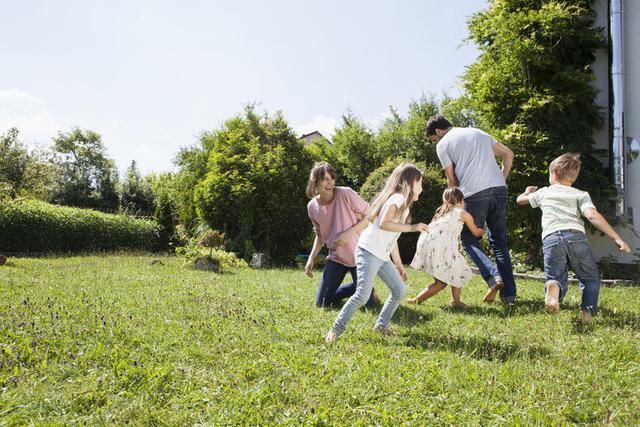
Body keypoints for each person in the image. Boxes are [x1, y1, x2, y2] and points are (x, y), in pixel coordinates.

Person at [516, 153, 630, 324]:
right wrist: (616, 238)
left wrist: (526, 192)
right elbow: (592, 215)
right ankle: (587, 315)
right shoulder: (580, 194)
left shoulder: (544, 193)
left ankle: (553, 289)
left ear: (553, 173)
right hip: (575, 236)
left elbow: (520, 201)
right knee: (590, 278)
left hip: (551, 237)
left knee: (554, 274)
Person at [325, 162, 428, 343]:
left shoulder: (403, 205)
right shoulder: (397, 199)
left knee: (399, 290)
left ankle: (381, 326)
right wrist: (414, 227)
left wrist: (398, 265)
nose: (422, 186)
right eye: (420, 182)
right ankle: (335, 331)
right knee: (362, 296)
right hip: (368, 252)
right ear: (411, 183)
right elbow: (383, 223)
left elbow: (392, 236)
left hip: (381, 256)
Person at [426, 114, 517, 304]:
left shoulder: (443, 144)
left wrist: (449, 206)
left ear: (438, 131)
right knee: (499, 243)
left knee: (468, 239)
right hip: (499, 190)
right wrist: (502, 178)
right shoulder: (478, 132)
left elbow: (452, 181)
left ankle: (493, 277)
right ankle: (509, 296)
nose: (436, 141)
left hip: (474, 193)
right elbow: (509, 154)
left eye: (434, 138)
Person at [305, 162, 377, 308]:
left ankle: (365, 288)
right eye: (325, 178)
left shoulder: (345, 193)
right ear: (315, 181)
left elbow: (371, 214)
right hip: (336, 257)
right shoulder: (312, 207)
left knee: (368, 305)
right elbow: (320, 236)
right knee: (323, 303)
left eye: (332, 177)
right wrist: (311, 259)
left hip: (360, 255)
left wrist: (347, 234)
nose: (330, 182)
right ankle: (357, 287)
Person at [408, 187, 483, 307]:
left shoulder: (442, 212)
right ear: (462, 200)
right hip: (441, 246)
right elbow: (476, 232)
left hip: (427, 242)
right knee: (444, 280)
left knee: (453, 269)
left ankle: (452, 300)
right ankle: (451, 301)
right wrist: (481, 231)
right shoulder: (463, 213)